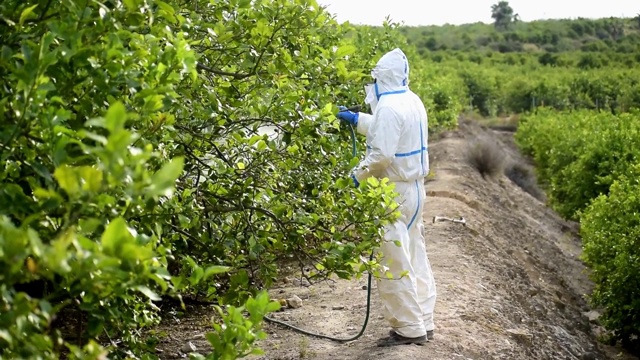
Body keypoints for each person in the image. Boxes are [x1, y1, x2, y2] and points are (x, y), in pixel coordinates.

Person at [336, 48, 437, 347]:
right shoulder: (411, 99)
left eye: (375, 79)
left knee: (393, 260)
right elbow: (392, 130)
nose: (373, 85)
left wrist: (356, 176)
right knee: (415, 255)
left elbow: (381, 155)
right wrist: (357, 120)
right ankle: (425, 321)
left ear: (383, 77)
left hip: (394, 191)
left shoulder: (390, 106)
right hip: (416, 189)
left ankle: (409, 329)